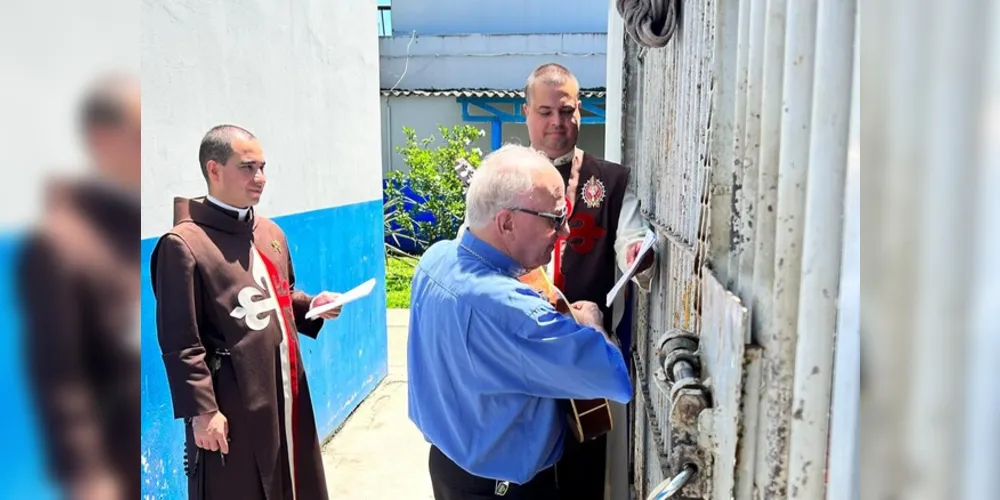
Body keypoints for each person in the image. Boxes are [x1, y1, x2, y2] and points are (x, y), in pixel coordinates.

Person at [407, 144, 633, 500]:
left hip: (447, 467)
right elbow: (612, 379)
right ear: (506, 222)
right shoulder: (514, 311)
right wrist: (591, 324)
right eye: (554, 220)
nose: (565, 233)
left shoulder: (435, 258)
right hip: (504, 489)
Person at [150, 124, 343, 499]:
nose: (260, 178)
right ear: (214, 170)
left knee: (294, 476)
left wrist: (310, 306)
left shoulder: (268, 232)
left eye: (263, 167)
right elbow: (180, 341)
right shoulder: (184, 246)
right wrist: (203, 411)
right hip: (232, 398)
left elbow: (277, 295)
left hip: (284, 388)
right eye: (248, 167)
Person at [521, 63, 658, 500]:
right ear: (526, 113)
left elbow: (632, 241)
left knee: (585, 473)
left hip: (585, 356)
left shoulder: (611, 181)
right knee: (527, 468)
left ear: (581, 111)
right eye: (545, 111)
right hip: (520, 352)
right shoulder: (506, 177)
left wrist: (638, 255)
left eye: (567, 111)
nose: (557, 123)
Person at [16, 74, 141, 500]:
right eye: (139, 136)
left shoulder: (124, 226)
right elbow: (58, 372)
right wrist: (86, 472)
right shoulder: (61, 243)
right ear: (102, 140)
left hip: (132, 442)